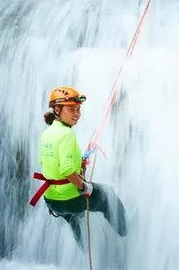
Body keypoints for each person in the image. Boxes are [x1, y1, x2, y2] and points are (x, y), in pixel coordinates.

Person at [30, 86, 128, 251]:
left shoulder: (47, 133)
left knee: (73, 216)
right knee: (107, 196)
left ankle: (87, 250)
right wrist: (84, 187)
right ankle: (126, 231)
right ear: (57, 110)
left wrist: (78, 163)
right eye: (71, 109)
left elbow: (48, 163)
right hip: (70, 197)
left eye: (78, 109)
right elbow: (67, 170)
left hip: (52, 200)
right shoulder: (67, 135)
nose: (76, 113)